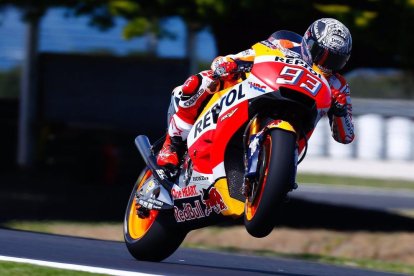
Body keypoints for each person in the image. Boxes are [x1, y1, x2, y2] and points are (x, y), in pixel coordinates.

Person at [156, 18, 355, 169]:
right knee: (202, 81)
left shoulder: (338, 84)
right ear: (309, 43)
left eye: (335, 61)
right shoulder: (284, 46)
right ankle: (171, 145)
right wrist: (231, 63)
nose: (326, 65)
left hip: (295, 129)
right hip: (258, 94)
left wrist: (339, 109)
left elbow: (346, 136)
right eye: (323, 55)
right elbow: (244, 56)